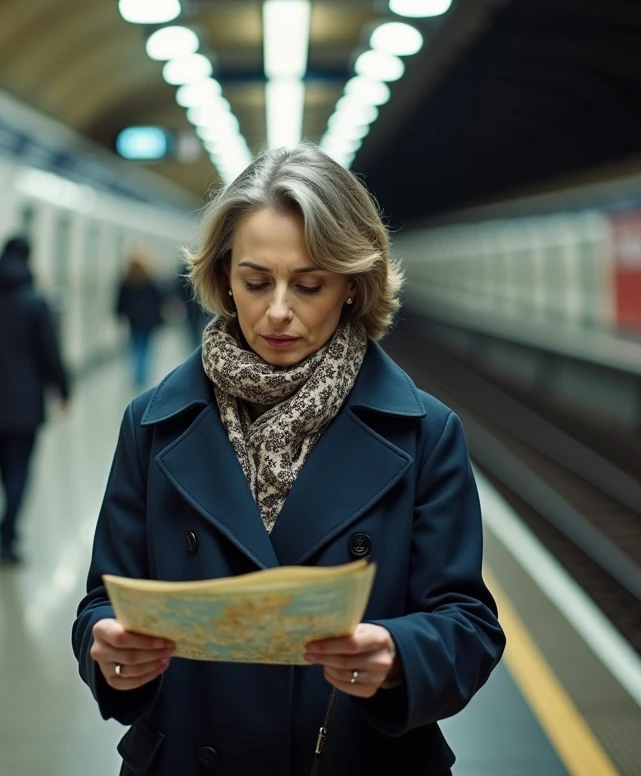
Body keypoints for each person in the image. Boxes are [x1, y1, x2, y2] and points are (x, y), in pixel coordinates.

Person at [71, 143, 505, 775]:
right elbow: (100, 602)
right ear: (223, 279)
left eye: (308, 285)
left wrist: (398, 655)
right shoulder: (154, 424)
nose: (278, 310)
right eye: (255, 282)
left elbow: (468, 623)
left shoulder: (425, 433)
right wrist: (105, 650)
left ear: (353, 287)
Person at [0, 236, 70, 567]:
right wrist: (62, 389)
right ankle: (7, 531)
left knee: (3, 468)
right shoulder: (36, 302)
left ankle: (7, 527)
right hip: (26, 402)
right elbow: (50, 352)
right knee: (20, 468)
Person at [115, 250, 164, 388]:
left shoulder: (126, 280)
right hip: (148, 320)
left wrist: (118, 314)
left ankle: (136, 375)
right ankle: (143, 375)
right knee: (146, 348)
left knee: (136, 346)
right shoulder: (149, 279)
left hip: (133, 320)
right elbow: (158, 299)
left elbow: (121, 301)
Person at [175, 260, 209, 348]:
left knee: (195, 330)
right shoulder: (201, 270)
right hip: (198, 307)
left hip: (194, 307)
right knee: (198, 329)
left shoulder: (183, 271)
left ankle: (198, 347)